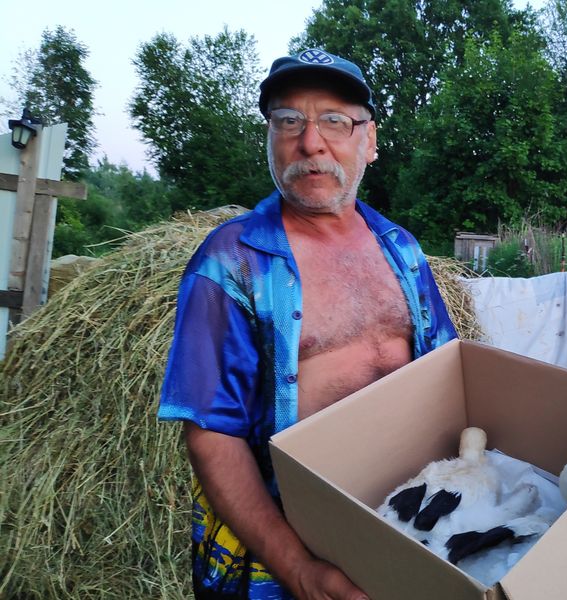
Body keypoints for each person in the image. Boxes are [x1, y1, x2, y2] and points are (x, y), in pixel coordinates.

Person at [158, 48, 458, 600]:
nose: (310, 142)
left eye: (335, 121)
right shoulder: (230, 262)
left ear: (369, 140)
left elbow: (444, 379)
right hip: (282, 556)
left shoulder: (404, 252)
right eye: (288, 120)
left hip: (404, 529)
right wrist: (297, 569)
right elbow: (211, 436)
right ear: (270, 138)